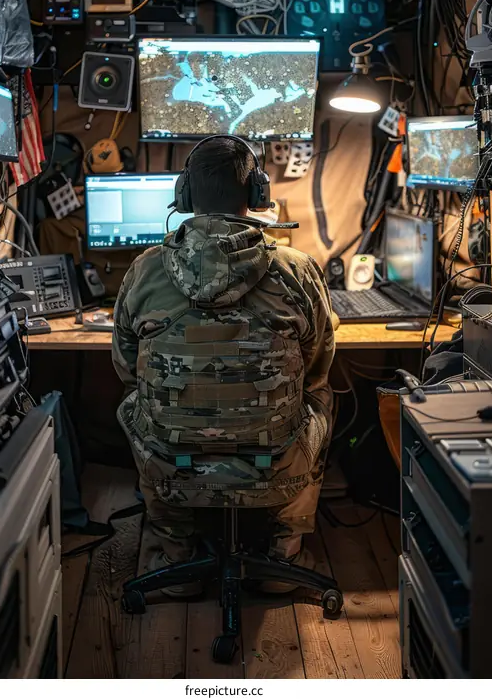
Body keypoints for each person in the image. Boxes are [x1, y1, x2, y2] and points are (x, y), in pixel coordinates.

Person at [112, 136, 335, 595]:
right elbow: (317, 362)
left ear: (184, 196)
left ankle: (177, 556)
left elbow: (124, 365)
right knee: (321, 394)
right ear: (258, 194)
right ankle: (283, 551)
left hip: (173, 460)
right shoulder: (297, 268)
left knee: (138, 401)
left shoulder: (143, 270)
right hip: (275, 459)